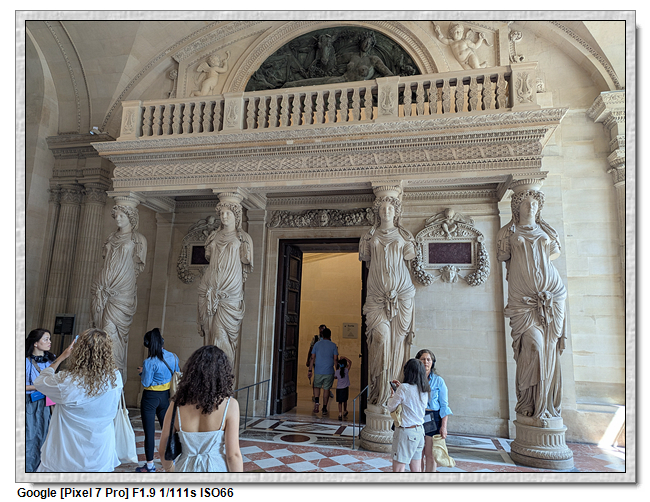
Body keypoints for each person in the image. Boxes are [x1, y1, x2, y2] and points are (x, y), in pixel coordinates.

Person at [497, 189, 567, 419]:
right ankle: (528, 401)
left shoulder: (547, 231)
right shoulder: (508, 232)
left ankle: (546, 405)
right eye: (526, 203)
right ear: (516, 207)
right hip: (522, 300)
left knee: (550, 349)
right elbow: (502, 257)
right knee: (534, 347)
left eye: (535, 204)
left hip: (553, 295)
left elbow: (554, 254)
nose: (531, 207)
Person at [34, 328, 123, 472]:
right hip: (101, 452)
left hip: (66, 455)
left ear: (78, 351)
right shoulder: (115, 377)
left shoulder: (67, 381)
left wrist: (61, 357)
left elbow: (40, 381)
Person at [359, 195, 416, 407]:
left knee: (398, 342)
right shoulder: (369, 236)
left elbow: (410, 257)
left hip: (402, 294)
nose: (386, 212)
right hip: (375, 296)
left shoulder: (404, 235)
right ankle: (379, 391)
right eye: (382, 208)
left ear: (396, 212)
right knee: (381, 338)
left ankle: (394, 394)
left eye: (390, 208)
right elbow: (365, 258)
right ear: (378, 212)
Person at [158, 345, 243, 472]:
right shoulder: (230, 405)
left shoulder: (176, 405)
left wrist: (170, 470)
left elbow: (163, 450)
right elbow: (233, 455)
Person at [91, 204, 147, 381]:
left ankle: (112, 375)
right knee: (99, 329)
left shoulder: (138, 239)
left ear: (131, 218)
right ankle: (99, 374)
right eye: (116, 216)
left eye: (122, 215)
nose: (118, 219)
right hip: (103, 286)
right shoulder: (110, 237)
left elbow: (137, 268)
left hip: (122, 288)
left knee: (110, 330)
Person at [197, 200, 253, 365]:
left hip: (230, 290)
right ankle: (209, 374)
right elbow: (209, 257)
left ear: (236, 216)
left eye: (228, 213)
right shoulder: (213, 236)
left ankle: (224, 375)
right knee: (209, 332)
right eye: (221, 213)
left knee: (221, 334)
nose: (224, 216)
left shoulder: (243, 238)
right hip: (209, 287)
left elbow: (246, 260)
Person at [135, 328, 180, 473]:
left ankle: (150, 466)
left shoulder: (149, 362)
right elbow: (177, 372)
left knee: (149, 432)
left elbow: (146, 383)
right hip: (165, 397)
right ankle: (172, 460)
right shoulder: (173, 357)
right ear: (162, 342)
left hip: (150, 398)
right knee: (167, 430)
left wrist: (142, 372)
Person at [387, 358, 429, 472]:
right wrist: (400, 389)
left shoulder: (404, 388)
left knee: (398, 469)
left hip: (406, 432)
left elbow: (391, 407)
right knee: (416, 469)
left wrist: (392, 395)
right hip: (419, 431)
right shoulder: (424, 389)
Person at [416, 349, 453, 472]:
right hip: (417, 416)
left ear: (432, 362)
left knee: (430, 454)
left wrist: (444, 427)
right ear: (418, 361)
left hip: (433, 417)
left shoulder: (439, 381)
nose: (426, 362)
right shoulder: (413, 379)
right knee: (418, 454)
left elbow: (444, 406)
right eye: (423, 359)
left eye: (428, 359)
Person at [25, 328, 56, 472]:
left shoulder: (51, 360)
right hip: (30, 403)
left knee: (45, 436)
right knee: (29, 436)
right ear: (35, 343)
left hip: (47, 403)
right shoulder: (25, 362)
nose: (49, 342)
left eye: (49, 339)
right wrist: (40, 386)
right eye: (46, 339)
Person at [308, 327, 338, 415]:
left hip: (318, 370)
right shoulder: (333, 345)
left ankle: (317, 402)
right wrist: (337, 371)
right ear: (330, 335)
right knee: (326, 389)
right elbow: (335, 359)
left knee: (316, 387)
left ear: (322, 335)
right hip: (329, 370)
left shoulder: (317, 344)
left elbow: (312, 357)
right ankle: (324, 407)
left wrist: (310, 370)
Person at [334, 356, 352, 420]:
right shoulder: (346, 370)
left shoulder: (337, 372)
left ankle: (340, 413)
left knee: (339, 402)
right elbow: (350, 362)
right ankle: (345, 410)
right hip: (345, 388)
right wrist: (345, 358)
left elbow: (335, 377)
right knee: (345, 400)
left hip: (339, 388)